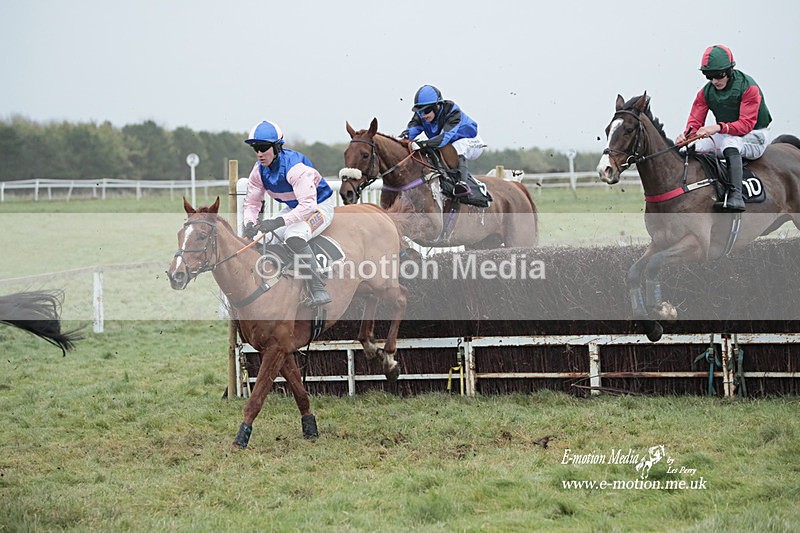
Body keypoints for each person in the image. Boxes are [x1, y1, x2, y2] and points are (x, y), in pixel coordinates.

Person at [241, 120, 334, 306]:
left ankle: (318, 289)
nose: (259, 153)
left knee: (294, 235)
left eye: (264, 147)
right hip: (294, 207)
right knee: (262, 238)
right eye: (255, 148)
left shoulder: (295, 168)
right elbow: (252, 202)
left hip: (318, 206)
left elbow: (308, 206)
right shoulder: (258, 171)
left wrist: (278, 222)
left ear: (276, 147)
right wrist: (249, 223)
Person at [676, 44, 772, 212]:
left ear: (730, 70)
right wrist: (686, 136)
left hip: (755, 134)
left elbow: (746, 125)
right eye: (709, 76)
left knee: (730, 144)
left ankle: (736, 196)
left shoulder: (749, 87)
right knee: (697, 146)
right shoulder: (705, 93)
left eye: (718, 75)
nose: (714, 81)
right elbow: (694, 123)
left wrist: (717, 127)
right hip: (729, 133)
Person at [399, 85, 487, 201]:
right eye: (420, 111)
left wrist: (422, 144)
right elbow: (409, 132)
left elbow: (443, 138)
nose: (423, 115)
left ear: (437, 106)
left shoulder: (453, 112)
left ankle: (462, 183)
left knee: (457, 146)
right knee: (438, 150)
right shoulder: (421, 115)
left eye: (426, 110)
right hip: (447, 145)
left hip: (472, 142)